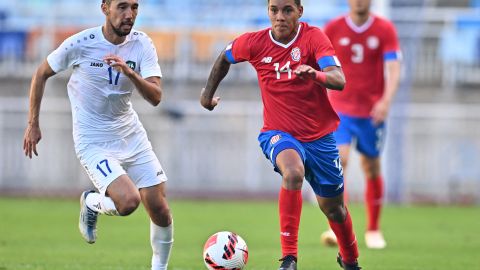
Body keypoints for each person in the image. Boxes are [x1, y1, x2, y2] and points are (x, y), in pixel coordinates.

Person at [200, 0, 361, 269]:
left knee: (334, 208)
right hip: (278, 133)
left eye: (287, 10)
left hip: (320, 139)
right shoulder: (254, 42)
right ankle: (289, 258)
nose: (280, 16)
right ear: (268, 12)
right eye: (274, 10)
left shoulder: (313, 38)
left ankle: (350, 259)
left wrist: (316, 75)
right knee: (293, 172)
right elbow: (224, 58)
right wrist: (206, 96)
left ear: (300, 11)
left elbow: (339, 79)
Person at [22, 0, 173, 269]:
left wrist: (130, 72)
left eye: (135, 7)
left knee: (159, 208)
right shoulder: (81, 43)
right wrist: (33, 122)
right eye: (122, 7)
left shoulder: (142, 44)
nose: (130, 15)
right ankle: (91, 202)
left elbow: (156, 96)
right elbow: (41, 73)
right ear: (105, 8)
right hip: (93, 141)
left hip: (131, 134)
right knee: (128, 202)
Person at [321, 0, 402, 249]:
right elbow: (320, 64)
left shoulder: (384, 28)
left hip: (370, 113)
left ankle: (374, 229)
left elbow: (394, 67)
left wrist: (386, 101)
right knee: (339, 162)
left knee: (371, 167)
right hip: (340, 110)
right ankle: (337, 228)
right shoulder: (333, 27)